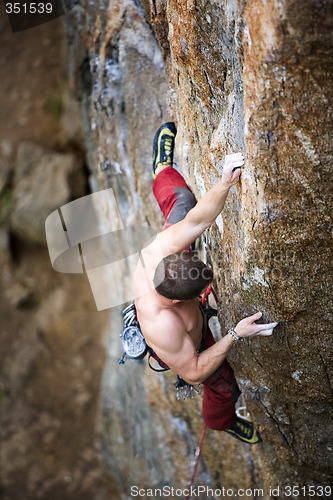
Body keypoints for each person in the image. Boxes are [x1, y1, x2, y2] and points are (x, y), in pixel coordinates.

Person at [133, 123, 278, 443]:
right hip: (191, 345)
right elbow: (194, 371)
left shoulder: (159, 252)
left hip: (175, 282)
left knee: (182, 203)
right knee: (226, 386)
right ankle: (221, 422)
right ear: (177, 302)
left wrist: (225, 181)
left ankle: (162, 168)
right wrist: (234, 334)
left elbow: (199, 219)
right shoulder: (164, 327)